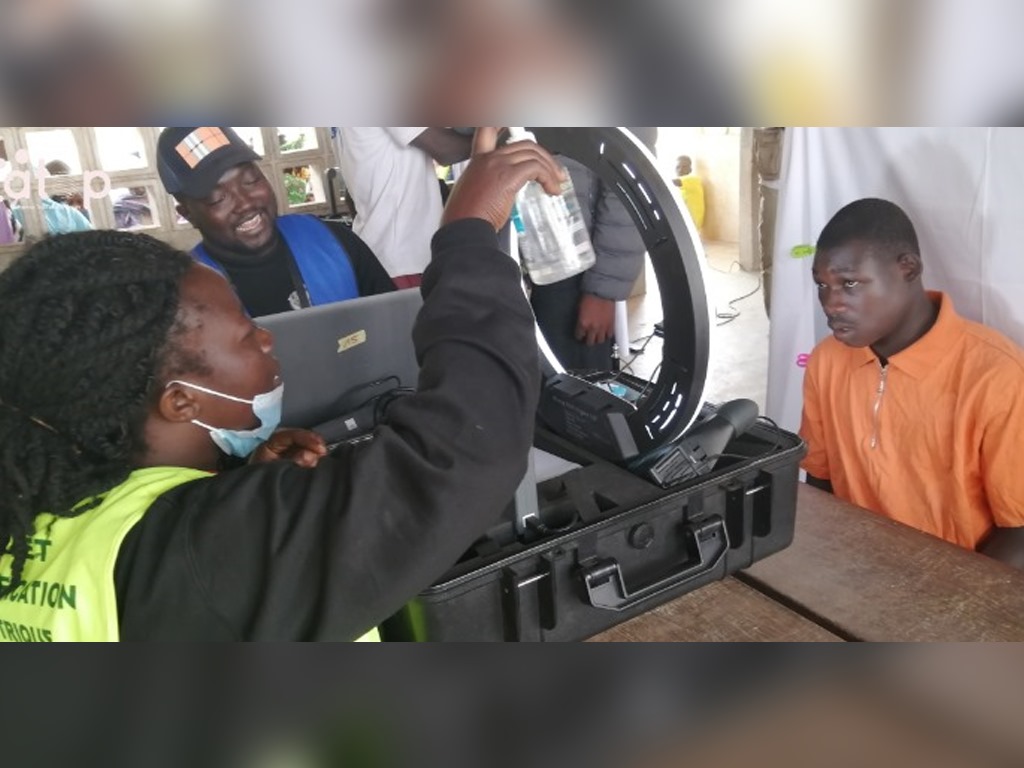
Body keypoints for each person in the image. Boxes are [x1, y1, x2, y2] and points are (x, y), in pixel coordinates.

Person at [0, 127, 558, 642]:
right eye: (249, 337)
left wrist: (241, 483)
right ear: (179, 401)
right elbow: (467, 449)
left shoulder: (37, 522)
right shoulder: (213, 550)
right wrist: (468, 232)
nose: (269, 342)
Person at [800, 197, 1024, 568]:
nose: (831, 303)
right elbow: (820, 481)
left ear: (908, 268)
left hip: (954, 592)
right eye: (822, 285)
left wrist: (941, 606)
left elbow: (1018, 533)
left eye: (849, 283)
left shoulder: (997, 376)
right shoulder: (827, 360)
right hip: (852, 572)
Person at [157, 127, 395, 318]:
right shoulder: (186, 293)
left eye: (251, 181)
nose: (245, 203)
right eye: (218, 198)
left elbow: (397, 324)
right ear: (187, 213)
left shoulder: (334, 242)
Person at [530, 127, 657, 373]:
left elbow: (629, 187)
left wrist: (603, 292)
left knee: (576, 391)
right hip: (509, 259)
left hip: (572, 267)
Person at [337, 128, 473, 288]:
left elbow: (350, 195)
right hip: (405, 256)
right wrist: (499, 134)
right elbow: (445, 150)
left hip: (380, 253)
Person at [672, 154, 705, 235]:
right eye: (678, 167)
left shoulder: (693, 180)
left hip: (690, 225)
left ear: (690, 169)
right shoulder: (682, 187)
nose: (680, 170)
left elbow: (673, 182)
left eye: (684, 167)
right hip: (685, 224)